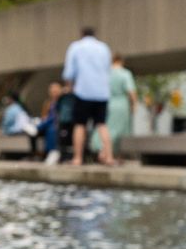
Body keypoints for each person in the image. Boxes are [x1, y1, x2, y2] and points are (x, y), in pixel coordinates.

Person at [62, 25, 115, 165]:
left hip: (83, 91)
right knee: (102, 124)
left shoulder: (76, 47)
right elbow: (108, 70)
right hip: (102, 92)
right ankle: (109, 157)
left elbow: (69, 71)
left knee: (80, 125)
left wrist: (69, 87)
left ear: (81, 34)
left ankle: (77, 158)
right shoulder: (104, 48)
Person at [100, 55, 137, 157]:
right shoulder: (125, 73)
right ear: (121, 61)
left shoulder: (106, 74)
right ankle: (106, 153)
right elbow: (131, 90)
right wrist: (134, 104)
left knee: (108, 127)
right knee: (119, 130)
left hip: (107, 103)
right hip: (121, 103)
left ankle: (105, 152)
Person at [40, 80, 67, 164]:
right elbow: (44, 115)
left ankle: (53, 151)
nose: (54, 93)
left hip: (59, 123)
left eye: (56, 91)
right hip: (50, 124)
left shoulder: (64, 102)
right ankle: (51, 152)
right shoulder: (48, 103)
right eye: (52, 91)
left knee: (52, 127)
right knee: (50, 126)